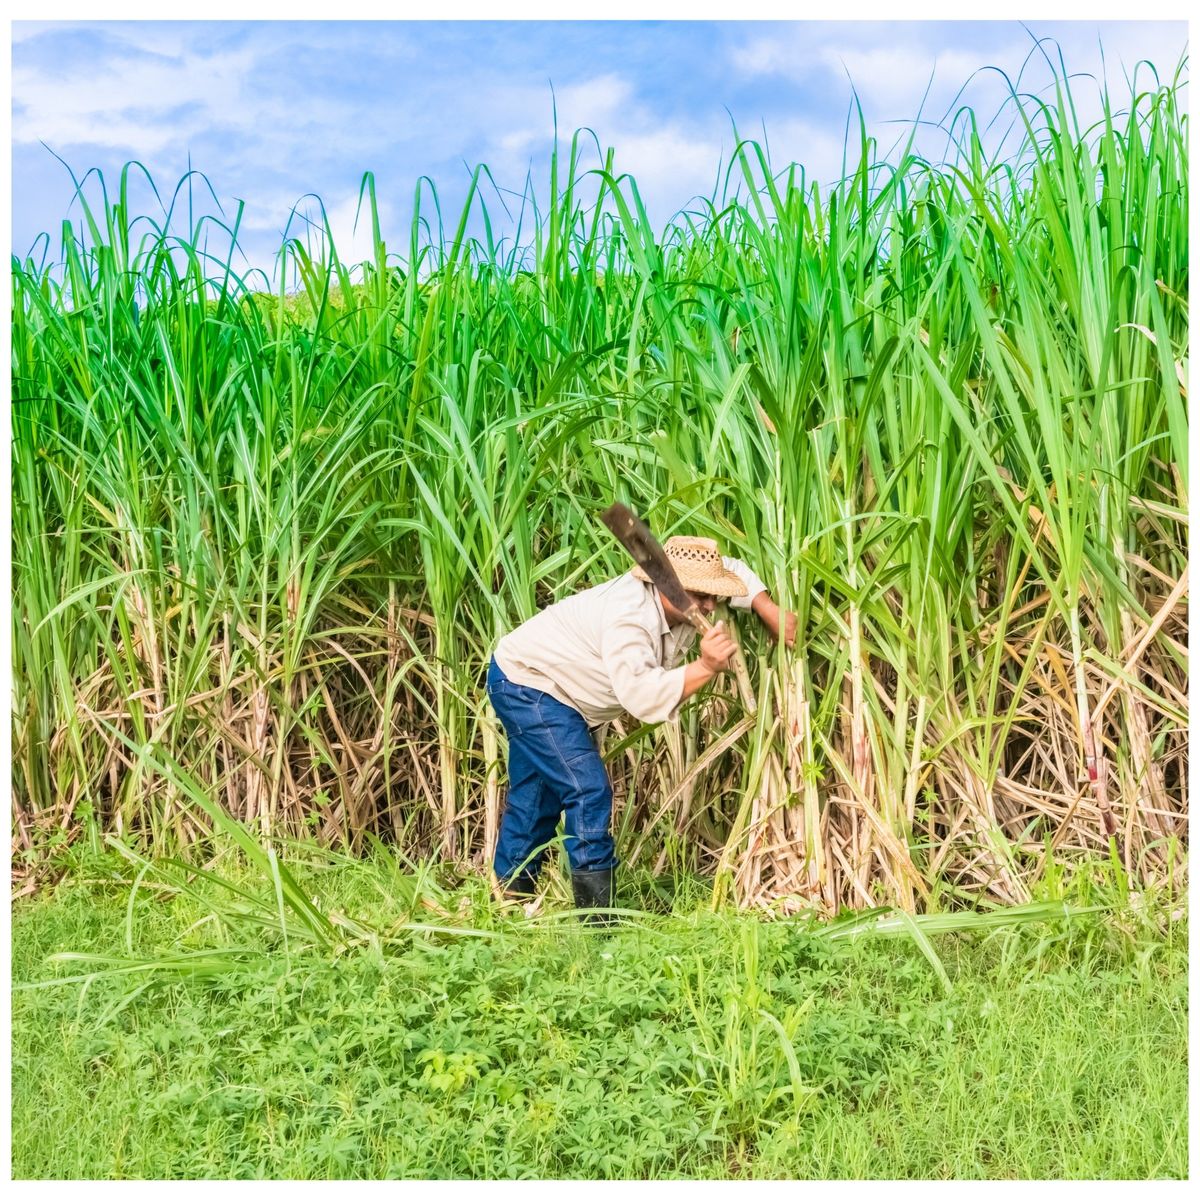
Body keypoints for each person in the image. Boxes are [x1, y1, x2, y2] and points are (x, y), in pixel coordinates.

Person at [486, 535, 795, 922]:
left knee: (537, 797)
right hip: (529, 683)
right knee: (587, 790)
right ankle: (598, 926)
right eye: (702, 597)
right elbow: (641, 698)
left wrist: (768, 608)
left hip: (553, 690)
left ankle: (507, 903)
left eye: (714, 596)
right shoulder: (628, 619)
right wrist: (704, 668)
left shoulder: (687, 591)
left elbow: (730, 571)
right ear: (667, 585)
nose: (711, 606)